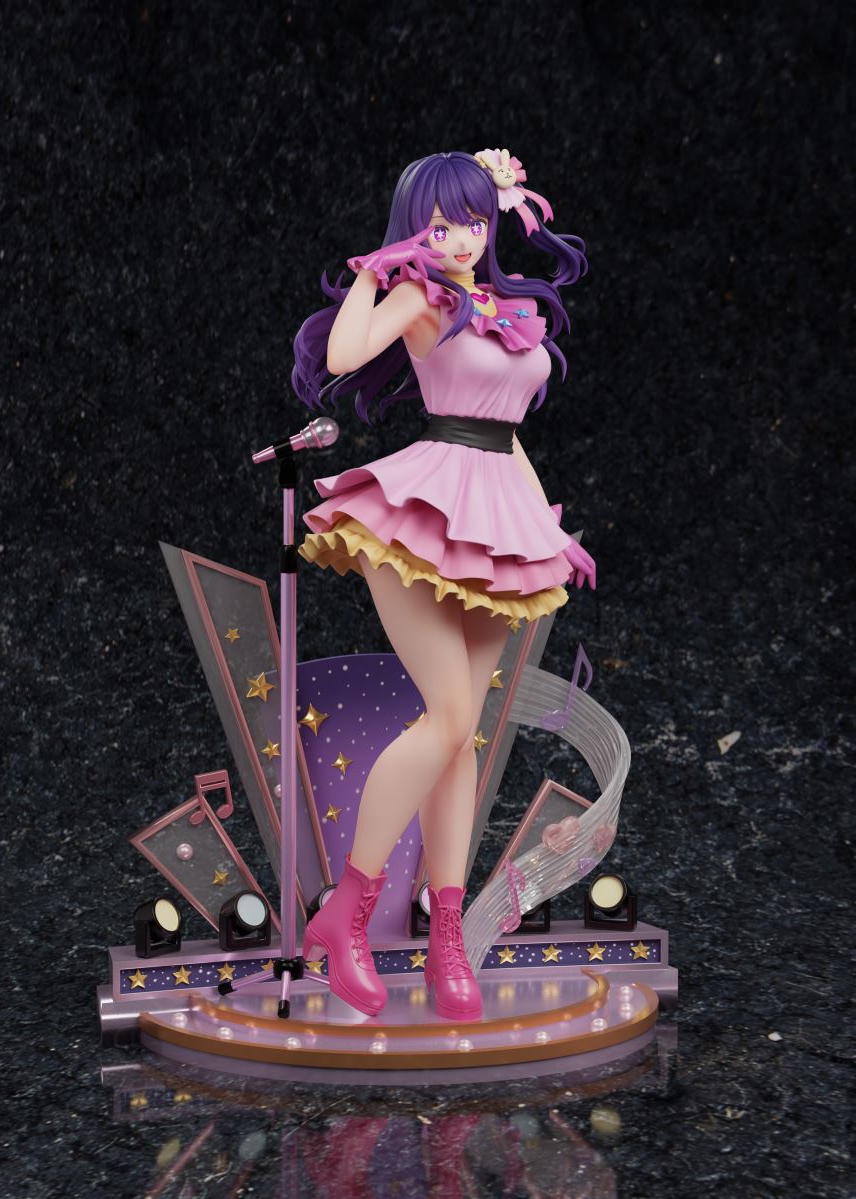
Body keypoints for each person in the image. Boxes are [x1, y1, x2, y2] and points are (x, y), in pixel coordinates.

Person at [291, 149, 594, 1022]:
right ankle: (346, 912)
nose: (458, 238)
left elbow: (509, 433)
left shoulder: (505, 307)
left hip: (500, 515)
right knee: (450, 716)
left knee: (463, 737)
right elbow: (345, 353)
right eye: (437, 224)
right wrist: (373, 271)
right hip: (427, 509)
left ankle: (447, 934)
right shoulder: (421, 298)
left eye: (471, 221)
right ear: (413, 230)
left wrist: (547, 528)